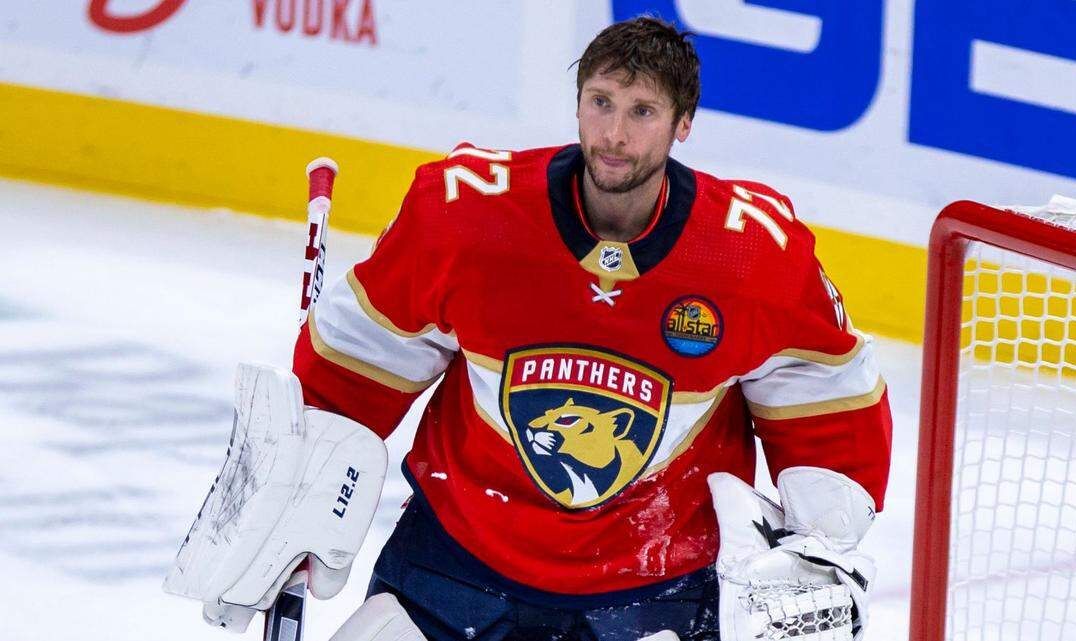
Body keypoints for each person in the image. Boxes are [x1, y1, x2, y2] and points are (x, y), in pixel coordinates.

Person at [248, 16, 891, 641]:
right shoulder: (471, 219)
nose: (614, 133)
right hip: (459, 557)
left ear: (683, 124)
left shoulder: (750, 257)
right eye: (601, 102)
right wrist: (303, 470)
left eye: (642, 111)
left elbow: (823, 386)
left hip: (657, 582)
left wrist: (822, 535)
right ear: (577, 105)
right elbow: (360, 357)